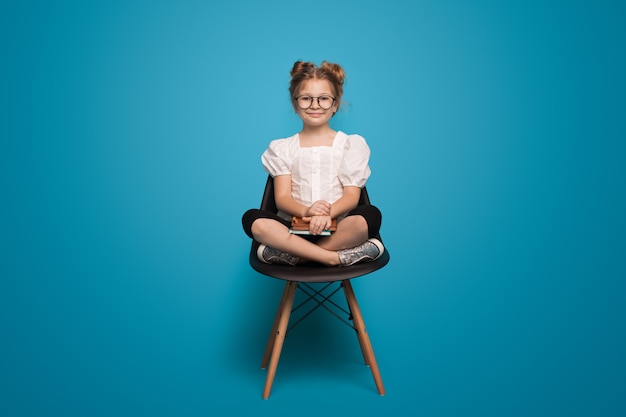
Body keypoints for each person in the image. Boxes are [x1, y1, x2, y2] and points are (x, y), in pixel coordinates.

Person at [242, 60, 384, 267]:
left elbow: (352, 196)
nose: (315, 105)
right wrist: (308, 212)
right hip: (294, 231)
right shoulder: (283, 148)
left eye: (323, 99)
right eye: (306, 99)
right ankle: (332, 258)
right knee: (252, 219)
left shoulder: (350, 144)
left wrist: (327, 215)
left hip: (338, 229)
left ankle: (297, 257)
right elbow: (281, 198)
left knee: (371, 215)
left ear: (334, 104)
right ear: (295, 103)